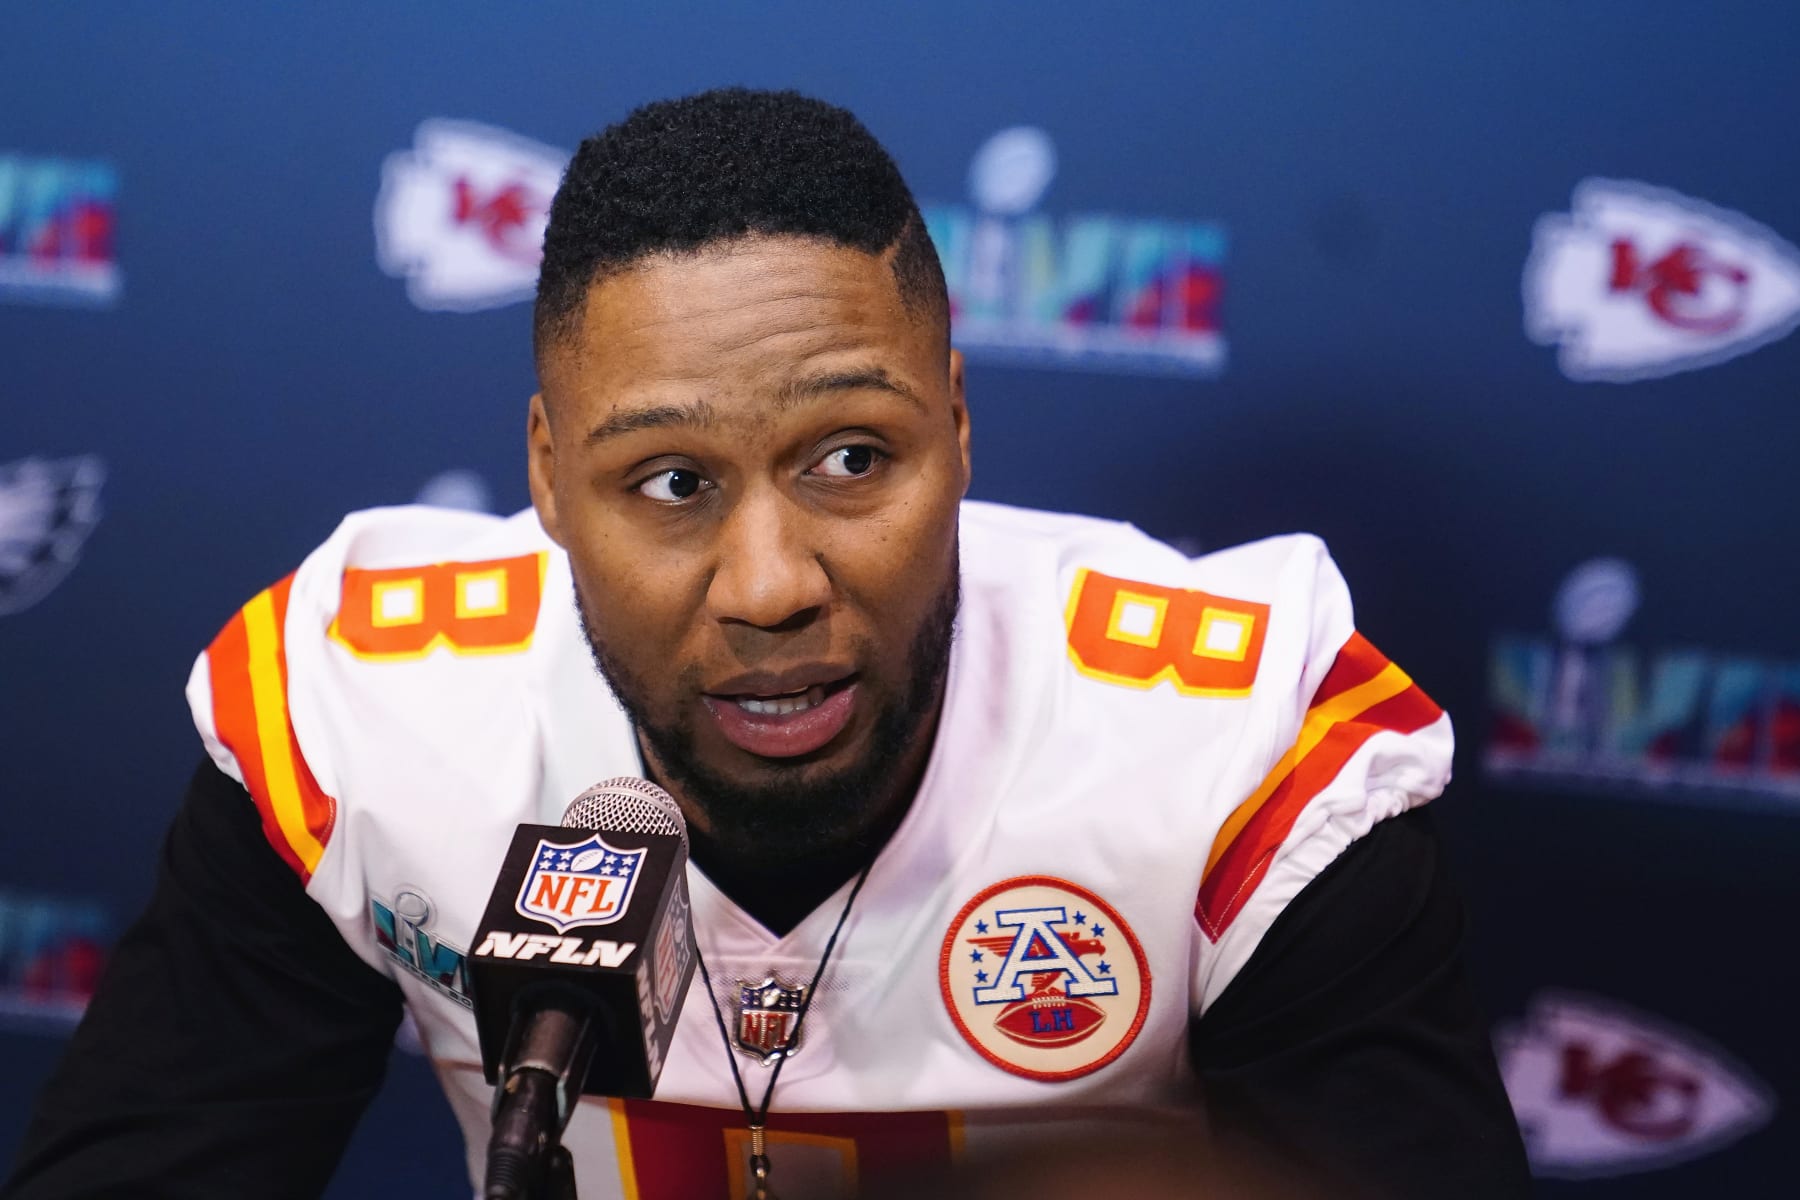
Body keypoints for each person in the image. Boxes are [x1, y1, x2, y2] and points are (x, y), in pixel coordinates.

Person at [4, 88, 1529, 1199]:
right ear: (545, 478)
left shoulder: (1237, 741)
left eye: (852, 459)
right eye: (669, 485)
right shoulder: (359, 711)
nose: (772, 583)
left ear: (960, 426)